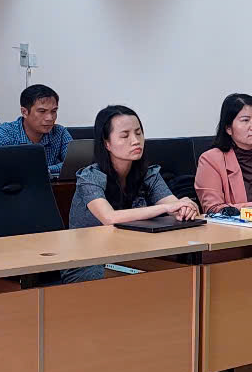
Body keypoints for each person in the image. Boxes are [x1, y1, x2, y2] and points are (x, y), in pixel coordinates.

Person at [62, 106, 200, 283]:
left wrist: (185, 208)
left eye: (138, 133)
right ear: (106, 143)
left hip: (130, 257)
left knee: (182, 277)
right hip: (88, 262)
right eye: (125, 135)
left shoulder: (148, 174)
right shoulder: (89, 177)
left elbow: (174, 206)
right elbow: (109, 217)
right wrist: (167, 207)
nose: (136, 141)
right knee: (154, 281)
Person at [195, 93, 252, 214]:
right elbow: (212, 209)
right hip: (231, 226)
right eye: (245, 120)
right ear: (228, 128)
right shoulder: (210, 159)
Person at [0, 84, 72, 176]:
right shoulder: (3, 133)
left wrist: (44, 170)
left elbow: (75, 164)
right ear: (24, 112)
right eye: (42, 111)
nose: (50, 118)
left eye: (54, 111)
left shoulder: (59, 132)